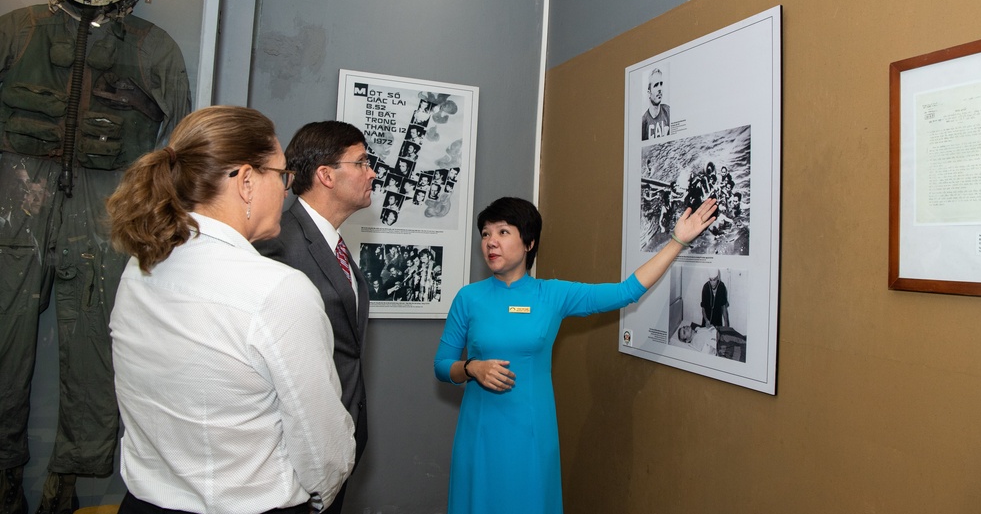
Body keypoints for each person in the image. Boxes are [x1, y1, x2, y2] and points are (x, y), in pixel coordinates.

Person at [0, 0, 191, 513]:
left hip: (108, 207)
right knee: (4, 342)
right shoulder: (16, 29)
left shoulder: (154, 48)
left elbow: (179, 139)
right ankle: (6, 470)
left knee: (97, 350)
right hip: (16, 201)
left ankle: (70, 476)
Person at [106, 106, 354, 514]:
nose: (286, 190)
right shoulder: (277, 290)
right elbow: (322, 445)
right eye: (282, 175)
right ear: (245, 180)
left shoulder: (139, 269)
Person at [433, 196, 717, 514]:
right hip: (480, 433)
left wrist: (677, 240)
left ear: (529, 242)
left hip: (532, 432)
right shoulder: (468, 298)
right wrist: (471, 367)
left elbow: (626, 291)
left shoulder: (553, 295)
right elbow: (442, 366)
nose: (491, 242)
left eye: (502, 232)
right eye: (485, 234)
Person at [254, 121, 376, 514]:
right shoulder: (279, 242)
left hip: (336, 443)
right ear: (326, 174)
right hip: (294, 457)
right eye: (361, 163)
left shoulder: (332, 243)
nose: (372, 172)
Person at [640, 67, 669, 140]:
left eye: (661, 84)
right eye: (656, 85)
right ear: (649, 93)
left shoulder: (668, 111)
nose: (660, 89)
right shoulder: (643, 122)